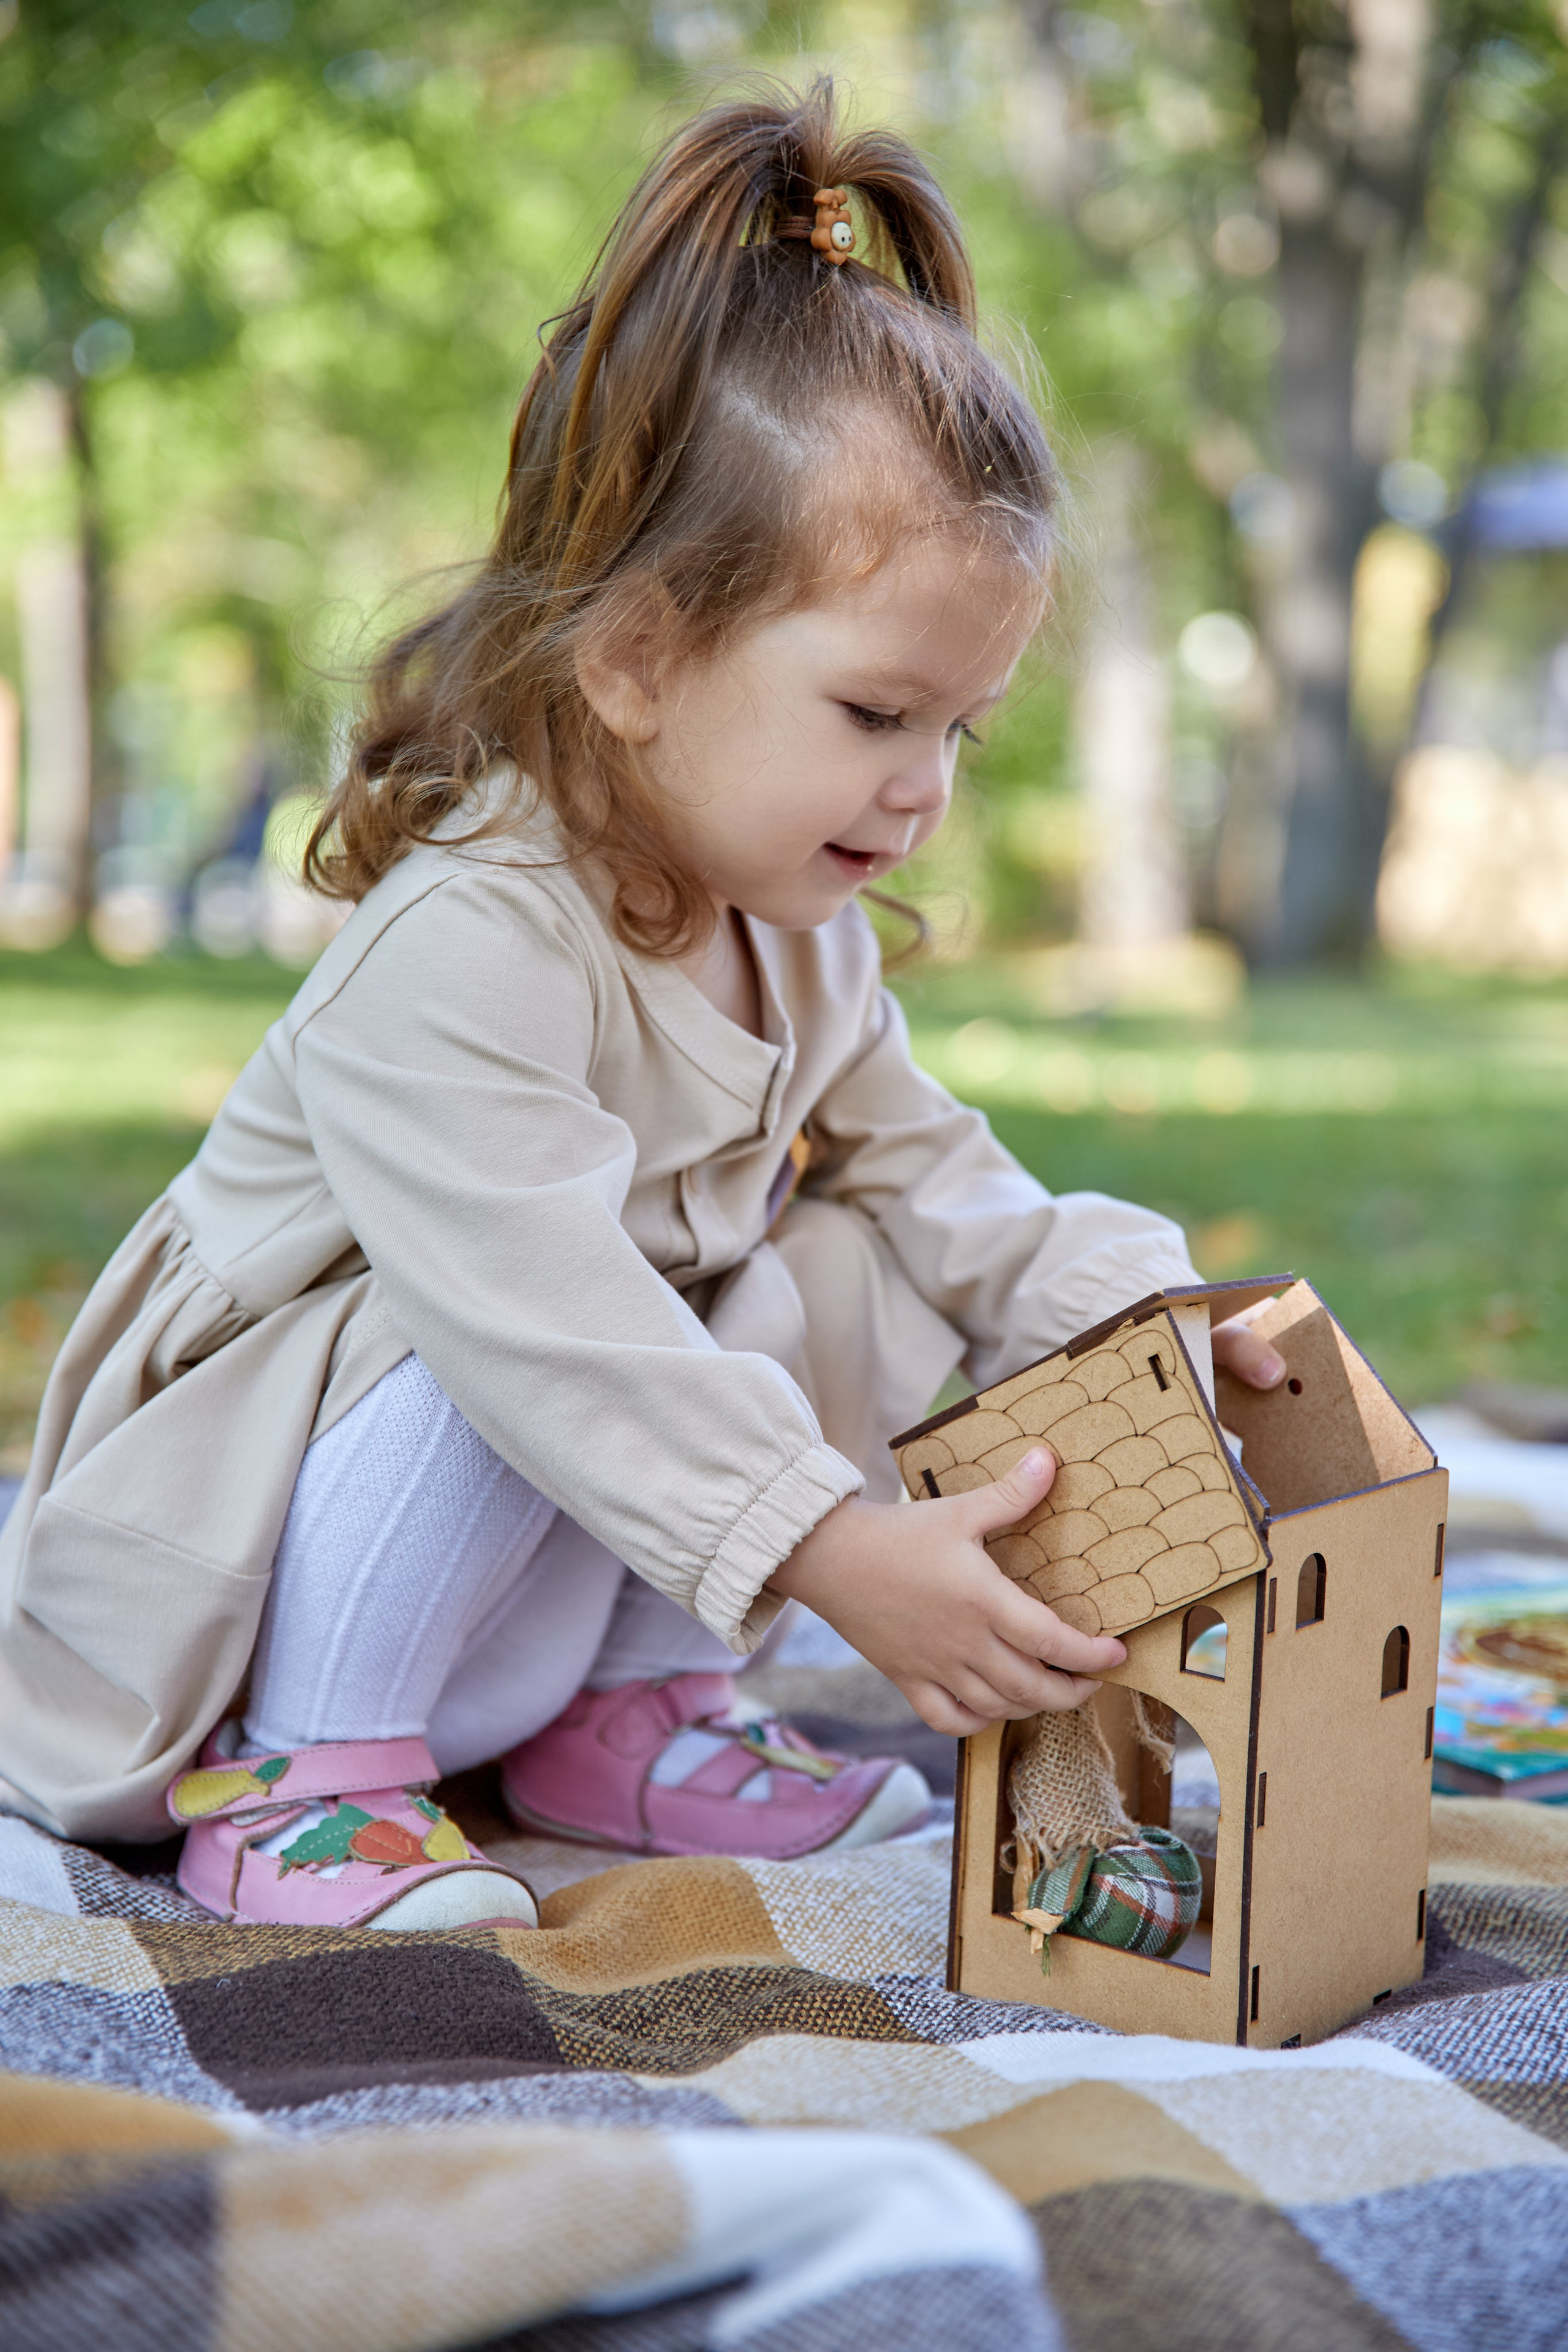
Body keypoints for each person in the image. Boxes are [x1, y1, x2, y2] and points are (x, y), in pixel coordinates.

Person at [0, 83, 1285, 1931]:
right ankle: (304, 1790)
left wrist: (1164, 1310)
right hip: (229, 1582)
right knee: (526, 1311)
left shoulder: (801, 940)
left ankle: (625, 1721)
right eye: (874, 715)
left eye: (959, 727)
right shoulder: (468, 940)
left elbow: (948, 1187)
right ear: (636, 658)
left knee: (834, 1256)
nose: (925, 789)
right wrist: (839, 1552)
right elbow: (553, 1337)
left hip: (513, 1586)